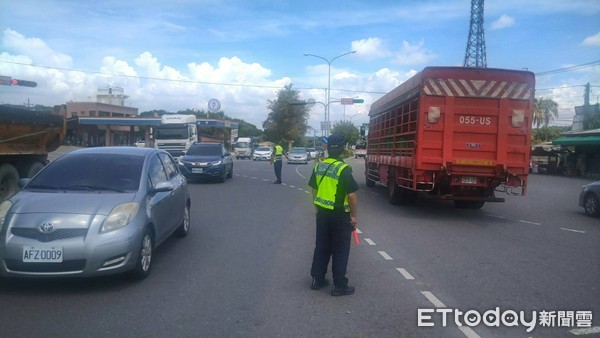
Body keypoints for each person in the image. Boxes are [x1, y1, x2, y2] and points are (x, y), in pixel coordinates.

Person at [308, 134, 359, 296]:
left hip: (322, 213)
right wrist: (353, 216)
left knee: (322, 246)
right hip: (339, 215)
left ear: (327, 148)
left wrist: (317, 205)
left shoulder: (319, 166)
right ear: (343, 148)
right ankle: (339, 285)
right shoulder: (344, 169)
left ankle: (318, 279)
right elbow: (351, 196)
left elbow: (314, 189)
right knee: (340, 249)